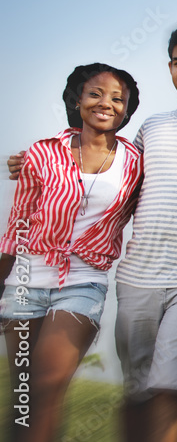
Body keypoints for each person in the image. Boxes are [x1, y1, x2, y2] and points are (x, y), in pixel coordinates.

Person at [0, 63, 142, 442]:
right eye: (95, 94)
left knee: (47, 383)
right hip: (26, 281)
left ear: (127, 110)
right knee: (25, 398)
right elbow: (18, 225)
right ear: (77, 99)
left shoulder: (135, 162)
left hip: (83, 282)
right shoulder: (41, 154)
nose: (106, 104)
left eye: (117, 99)